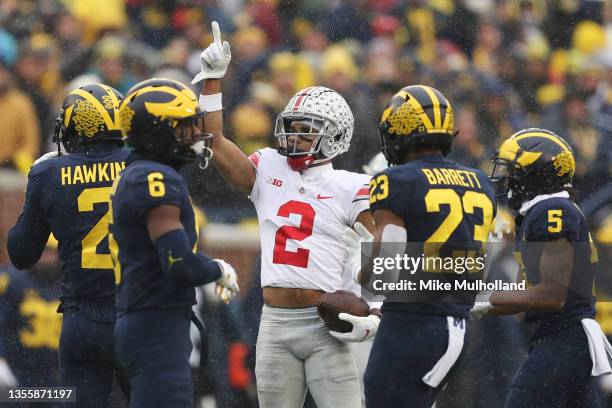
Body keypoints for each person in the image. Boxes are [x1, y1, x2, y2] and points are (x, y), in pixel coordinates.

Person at [192, 21, 381, 408]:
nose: (293, 138)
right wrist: (211, 83)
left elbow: (390, 242)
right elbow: (215, 142)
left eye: (306, 131)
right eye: (291, 129)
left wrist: (374, 304)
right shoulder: (268, 167)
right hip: (275, 322)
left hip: (326, 322)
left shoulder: (352, 186)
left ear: (335, 136)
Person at [346, 85, 497, 407]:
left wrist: (361, 279)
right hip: (457, 325)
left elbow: (389, 253)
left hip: (412, 323)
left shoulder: (395, 179)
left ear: (400, 130)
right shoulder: (480, 181)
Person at [111, 77, 239, 408]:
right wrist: (217, 268)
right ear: (157, 132)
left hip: (145, 318)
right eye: (185, 128)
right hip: (156, 324)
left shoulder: (139, 172)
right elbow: (178, 262)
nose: (195, 134)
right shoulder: (156, 178)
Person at [7, 83, 131, 407]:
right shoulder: (142, 163)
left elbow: (20, 254)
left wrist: (38, 191)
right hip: (135, 313)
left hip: (82, 322)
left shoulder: (48, 172)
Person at [471, 128, 604, 407]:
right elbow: (524, 291)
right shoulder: (539, 211)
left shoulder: (552, 211)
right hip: (565, 340)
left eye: (514, 170)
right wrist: (471, 303)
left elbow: (551, 296)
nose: (507, 178)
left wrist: (485, 299)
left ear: (536, 173)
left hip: (564, 340)